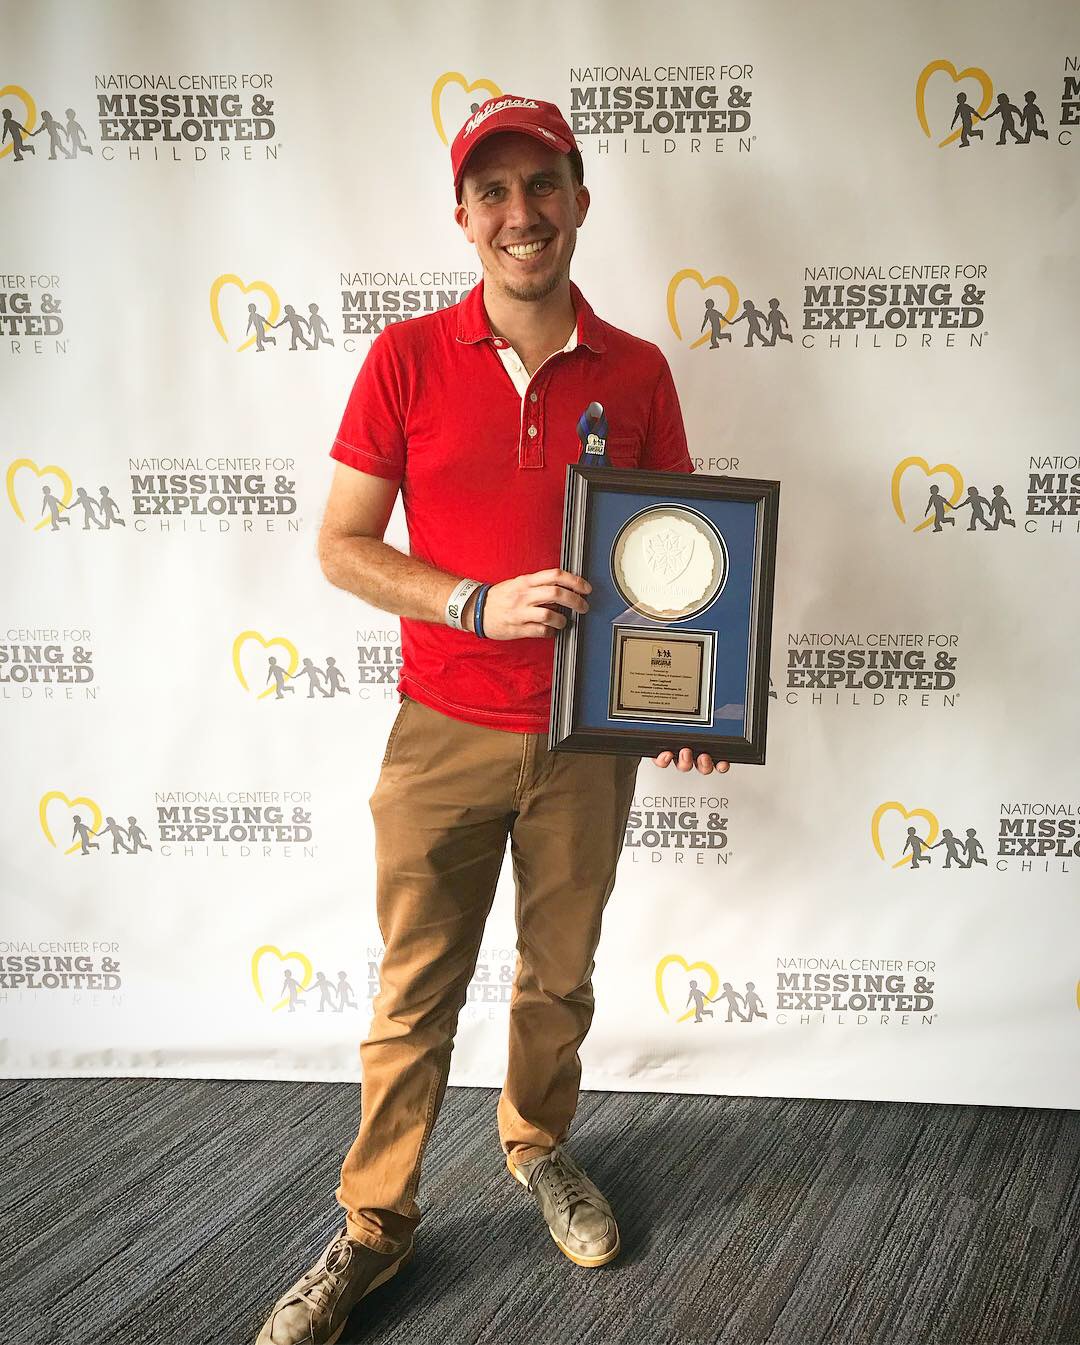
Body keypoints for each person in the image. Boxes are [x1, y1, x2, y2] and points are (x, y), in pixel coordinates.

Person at [256, 94, 729, 1345]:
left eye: (543, 187)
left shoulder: (637, 370)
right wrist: (470, 597)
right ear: (464, 216)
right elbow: (343, 548)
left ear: (579, 199)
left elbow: (673, 559)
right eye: (495, 192)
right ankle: (372, 1226)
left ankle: (537, 1147)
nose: (521, 214)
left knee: (558, 975)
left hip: (588, 740)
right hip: (442, 728)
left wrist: (690, 686)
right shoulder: (407, 357)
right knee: (417, 987)